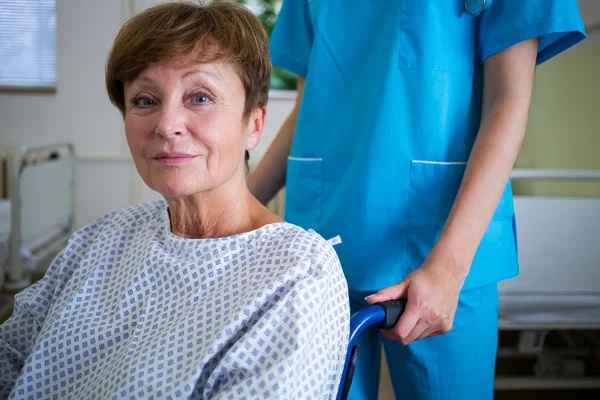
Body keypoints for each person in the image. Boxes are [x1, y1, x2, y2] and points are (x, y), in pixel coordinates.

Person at [0, 2, 350, 399]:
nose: (166, 125)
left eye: (200, 97)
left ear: (254, 123)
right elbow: (11, 353)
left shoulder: (296, 275)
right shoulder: (101, 239)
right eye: (145, 101)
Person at [247, 0, 586, 398]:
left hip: (441, 242)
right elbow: (310, 107)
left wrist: (447, 271)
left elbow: (507, 101)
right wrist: (232, 207)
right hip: (323, 240)